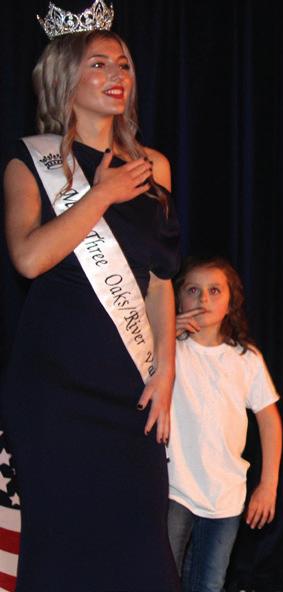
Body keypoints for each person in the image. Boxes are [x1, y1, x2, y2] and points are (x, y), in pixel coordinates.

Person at [0, 2, 181, 588]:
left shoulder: (152, 167)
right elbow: (29, 258)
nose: (116, 75)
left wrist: (166, 370)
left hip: (129, 386)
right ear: (65, 77)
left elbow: (160, 280)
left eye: (123, 64)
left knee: (142, 551)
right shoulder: (29, 161)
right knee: (61, 552)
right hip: (54, 388)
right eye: (98, 64)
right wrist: (99, 196)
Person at [167, 257, 283, 592]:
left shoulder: (245, 358)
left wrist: (268, 484)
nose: (203, 298)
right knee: (162, 577)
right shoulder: (167, 349)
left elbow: (269, 421)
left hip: (225, 494)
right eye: (193, 290)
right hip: (174, 487)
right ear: (178, 298)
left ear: (230, 302)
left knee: (209, 584)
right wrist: (164, 334)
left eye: (214, 290)